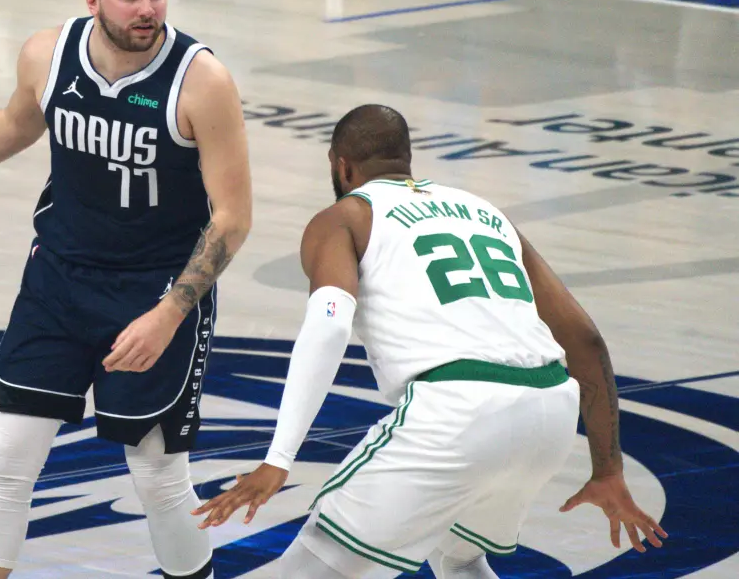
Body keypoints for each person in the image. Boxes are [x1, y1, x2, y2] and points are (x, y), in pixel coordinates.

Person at [0, 0, 251, 579]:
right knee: (6, 463)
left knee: (156, 478)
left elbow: (233, 218)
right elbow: (16, 122)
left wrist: (170, 314)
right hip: (57, 282)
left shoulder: (201, 82)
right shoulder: (49, 53)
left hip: (155, 291)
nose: (148, 8)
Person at [192, 104, 666, 578]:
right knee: (458, 557)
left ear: (340, 164)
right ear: (407, 158)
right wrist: (608, 470)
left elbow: (331, 326)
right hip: (549, 414)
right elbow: (586, 341)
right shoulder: (485, 213)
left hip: (459, 413)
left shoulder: (345, 217)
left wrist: (278, 460)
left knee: (314, 565)